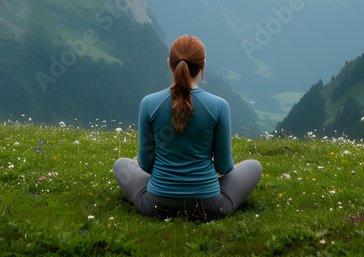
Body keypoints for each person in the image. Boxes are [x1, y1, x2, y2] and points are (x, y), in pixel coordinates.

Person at [112, 35, 262, 220]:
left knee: (122, 164)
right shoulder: (219, 105)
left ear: (170, 63)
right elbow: (223, 166)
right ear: (202, 65)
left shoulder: (149, 103)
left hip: (155, 205)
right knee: (253, 166)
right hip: (208, 206)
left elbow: (145, 164)